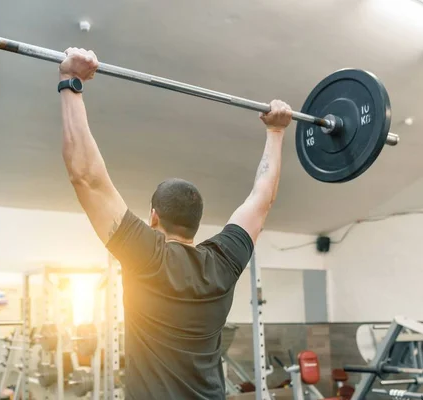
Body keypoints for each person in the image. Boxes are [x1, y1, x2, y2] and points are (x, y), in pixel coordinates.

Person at [57, 47, 292, 399]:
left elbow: (87, 177)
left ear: (154, 217)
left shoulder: (147, 256)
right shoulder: (223, 263)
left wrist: (71, 82)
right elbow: (263, 198)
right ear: (196, 224)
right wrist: (276, 132)